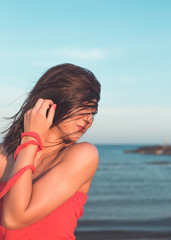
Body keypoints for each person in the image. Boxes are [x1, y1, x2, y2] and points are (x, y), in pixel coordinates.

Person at [0, 63, 101, 239]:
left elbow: (14, 219)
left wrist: (31, 138)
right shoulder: (4, 156)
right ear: (53, 101)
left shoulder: (82, 155)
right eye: (84, 107)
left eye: (92, 112)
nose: (88, 119)